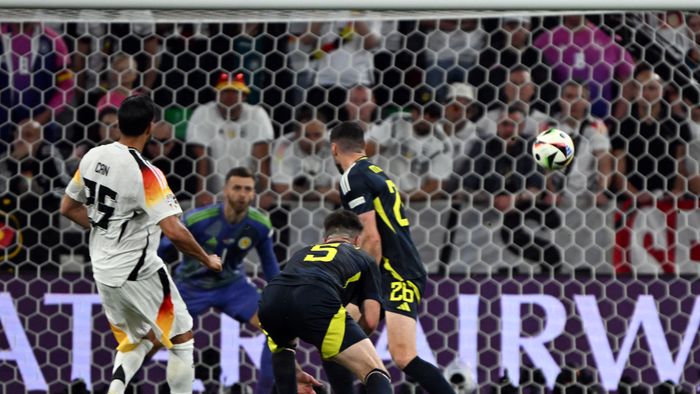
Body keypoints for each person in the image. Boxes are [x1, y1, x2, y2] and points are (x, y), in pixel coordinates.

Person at [60, 95, 223, 394]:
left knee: (138, 338)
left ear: (119, 124)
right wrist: (207, 259)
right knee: (181, 339)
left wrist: (106, 227)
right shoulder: (147, 173)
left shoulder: (93, 157)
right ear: (150, 128)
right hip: (139, 271)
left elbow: (68, 207)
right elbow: (174, 232)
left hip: (104, 271)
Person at [329, 121, 456, 393]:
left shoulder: (351, 177)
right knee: (337, 336)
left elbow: (372, 237)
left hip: (392, 271)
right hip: (404, 268)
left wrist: (365, 284)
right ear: (363, 146)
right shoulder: (377, 173)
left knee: (401, 355)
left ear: (334, 149)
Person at [158, 166, 280, 394]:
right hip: (190, 287)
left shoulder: (260, 225)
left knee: (277, 328)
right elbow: (163, 250)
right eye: (237, 188)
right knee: (152, 338)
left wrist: (280, 297)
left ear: (254, 193)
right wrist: (155, 285)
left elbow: (270, 264)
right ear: (225, 190)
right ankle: (124, 385)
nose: (242, 194)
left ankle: (264, 391)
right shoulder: (198, 219)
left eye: (248, 189)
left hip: (232, 286)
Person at [258, 210, 391, 394]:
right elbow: (370, 319)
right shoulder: (363, 258)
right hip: (317, 298)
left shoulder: (302, 252)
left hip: (270, 300)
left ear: (324, 239)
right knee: (376, 372)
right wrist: (352, 341)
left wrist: (296, 371)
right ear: (357, 241)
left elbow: (292, 297)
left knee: (284, 349)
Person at [186, 72, 274, 206]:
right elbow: (201, 157)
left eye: (235, 92)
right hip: (215, 194)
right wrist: (201, 191)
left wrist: (266, 191)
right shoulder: (203, 113)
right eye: (225, 92)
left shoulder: (257, 113)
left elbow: (261, 156)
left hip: (249, 193)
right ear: (217, 95)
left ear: (244, 96)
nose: (230, 96)